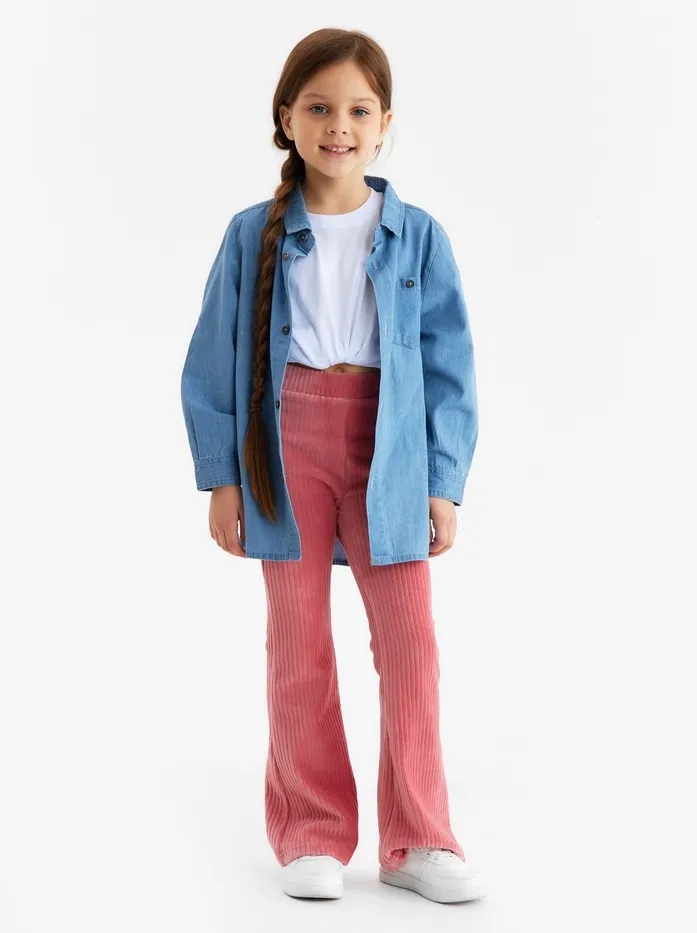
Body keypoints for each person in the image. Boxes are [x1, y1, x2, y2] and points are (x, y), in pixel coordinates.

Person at [180, 27, 486, 905]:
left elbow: (451, 364)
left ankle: (419, 836)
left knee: (411, 643)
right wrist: (223, 478)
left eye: (358, 110)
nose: (338, 126)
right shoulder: (253, 233)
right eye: (318, 108)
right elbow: (212, 358)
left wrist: (442, 480)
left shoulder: (418, 236)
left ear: (386, 123)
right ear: (287, 118)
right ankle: (311, 829)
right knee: (299, 641)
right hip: (282, 447)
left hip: (389, 445)